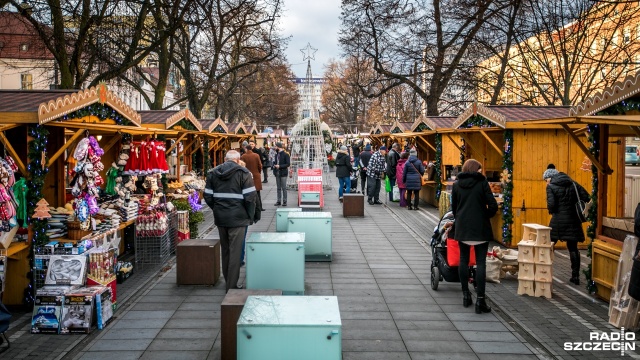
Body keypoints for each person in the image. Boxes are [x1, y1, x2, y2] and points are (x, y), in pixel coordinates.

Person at [203, 150, 259, 292]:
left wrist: (217, 209)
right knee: (235, 252)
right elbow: (250, 197)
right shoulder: (244, 173)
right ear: (238, 159)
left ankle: (228, 281)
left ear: (225, 159)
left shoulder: (213, 173)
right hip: (238, 218)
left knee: (226, 250)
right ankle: (232, 286)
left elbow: (207, 196)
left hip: (221, 217)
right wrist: (250, 215)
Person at [451, 159, 498, 314]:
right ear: (475, 169)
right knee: (481, 263)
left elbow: (454, 208)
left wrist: (460, 218)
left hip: (463, 227)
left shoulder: (457, 184)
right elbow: (493, 205)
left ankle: (465, 295)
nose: (480, 171)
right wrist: (484, 216)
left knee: (463, 260)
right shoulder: (482, 183)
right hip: (480, 228)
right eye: (479, 169)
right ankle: (480, 300)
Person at [544, 166, 590, 285]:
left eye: (546, 180)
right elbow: (587, 197)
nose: (546, 182)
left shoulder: (551, 187)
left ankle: (545, 272)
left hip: (558, 221)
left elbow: (552, 205)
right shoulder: (574, 184)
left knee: (549, 245)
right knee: (573, 248)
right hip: (574, 220)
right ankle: (575, 276)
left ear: (550, 178)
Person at [241, 145, 265, 211]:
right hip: (256, 175)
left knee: (248, 192)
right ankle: (260, 207)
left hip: (247, 176)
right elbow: (260, 165)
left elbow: (242, 166)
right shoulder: (256, 155)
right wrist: (258, 172)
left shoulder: (243, 156)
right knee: (257, 193)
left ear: (246, 149)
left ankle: (251, 207)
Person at [273, 142, 290, 206]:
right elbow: (275, 162)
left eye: (275, 146)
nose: (274, 148)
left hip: (283, 173)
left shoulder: (286, 154)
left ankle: (285, 201)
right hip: (277, 172)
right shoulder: (276, 155)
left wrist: (280, 166)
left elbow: (288, 164)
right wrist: (274, 168)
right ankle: (278, 201)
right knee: (278, 188)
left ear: (278, 147)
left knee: (284, 187)